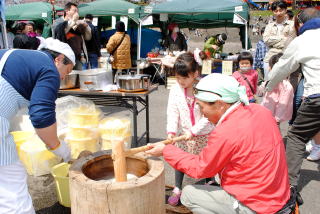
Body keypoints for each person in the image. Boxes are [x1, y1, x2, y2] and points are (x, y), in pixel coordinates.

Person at [147, 73, 291, 214]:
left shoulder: (226, 131)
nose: (202, 114)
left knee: (188, 194)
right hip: (279, 194)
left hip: (257, 205)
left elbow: (199, 168)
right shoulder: (260, 111)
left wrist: (166, 150)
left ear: (221, 104)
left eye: (202, 107)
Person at [0, 37, 74, 213]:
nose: (63, 77)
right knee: (12, 186)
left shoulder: (20, 56)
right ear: (58, 59)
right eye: (67, 70)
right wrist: (59, 147)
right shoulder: (48, 68)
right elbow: (41, 116)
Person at [266, 8, 320, 188]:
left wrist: (268, 86)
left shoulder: (302, 40)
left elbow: (281, 68)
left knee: (296, 136)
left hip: (317, 95)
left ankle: (288, 186)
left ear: (301, 24)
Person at [166, 52, 214, 206]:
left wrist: (194, 131)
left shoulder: (204, 89)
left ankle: (210, 183)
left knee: (206, 161)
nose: (180, 81)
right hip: (183, 133)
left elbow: (208, 116)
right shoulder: (175, 90)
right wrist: (171, 131)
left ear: (195, 74)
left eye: (184, 78)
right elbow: (172, 111)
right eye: (177, 77)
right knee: (180, 160)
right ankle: (178, 188)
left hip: (203, 133)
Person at [53, 2, 92, 70]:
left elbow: (88, 38)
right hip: (64, 58)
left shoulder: (78, 24)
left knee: (78, 78)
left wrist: (87, 27)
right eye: (74, 10)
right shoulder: (58, 22)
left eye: (77, 11)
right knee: (66, 78)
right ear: (67, 11)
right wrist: (73, 21)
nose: (76, 13)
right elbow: (60, 34)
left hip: (77, 57)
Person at [263, 0, 296, 80]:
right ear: (273, 12)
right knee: (269, 82)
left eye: (281, 10)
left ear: (285, 10)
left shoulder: (292, 25)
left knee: (286, 85)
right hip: (270, 58)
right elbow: (266, 40)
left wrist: (274, 42)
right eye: (276, 11)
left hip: (287, 57)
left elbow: (292, 41)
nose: (278, 13)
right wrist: (283, 38)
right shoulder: (269, 26)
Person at [260, 53, 294, 125]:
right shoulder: (270, 80)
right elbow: (261, 92)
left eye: (270, 67)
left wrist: (277, 119)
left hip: (274, 118)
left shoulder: (286, 86)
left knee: (274, 134)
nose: (268, 69)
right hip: (265, 113)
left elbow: (283, 104)